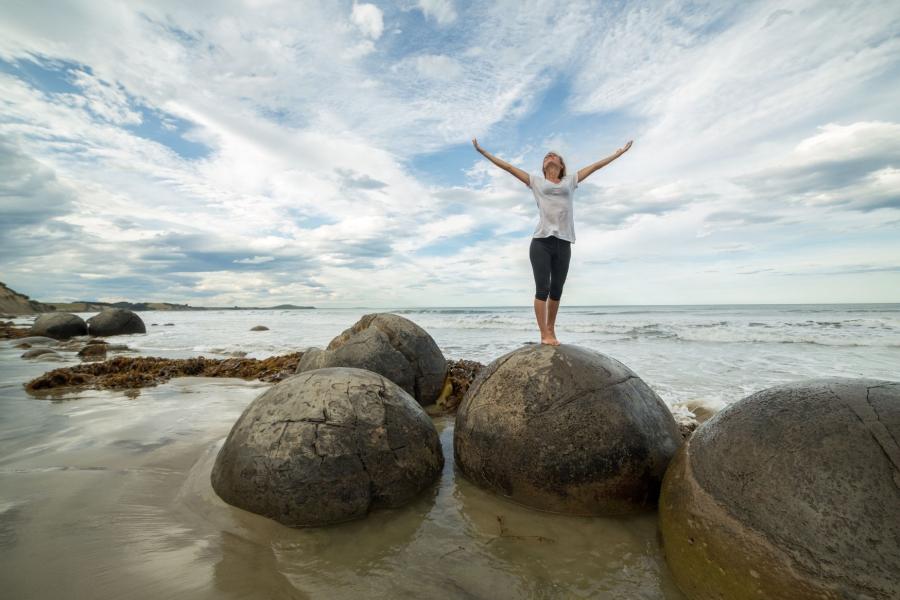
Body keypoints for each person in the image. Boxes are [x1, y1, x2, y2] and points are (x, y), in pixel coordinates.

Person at [471, 137, 633, 345]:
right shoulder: (536, 182)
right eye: (546, 156)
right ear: (544, 166)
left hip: (564, 242)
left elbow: (594, 166)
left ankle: (551, 330)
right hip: (541, 241)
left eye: (553, 155)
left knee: (557, 289)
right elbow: (509, 167)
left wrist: (618, 154)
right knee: (543, 288)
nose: (549, 156)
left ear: (561, 165)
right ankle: (543, 334)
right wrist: (483, 152)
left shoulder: (570, 181)